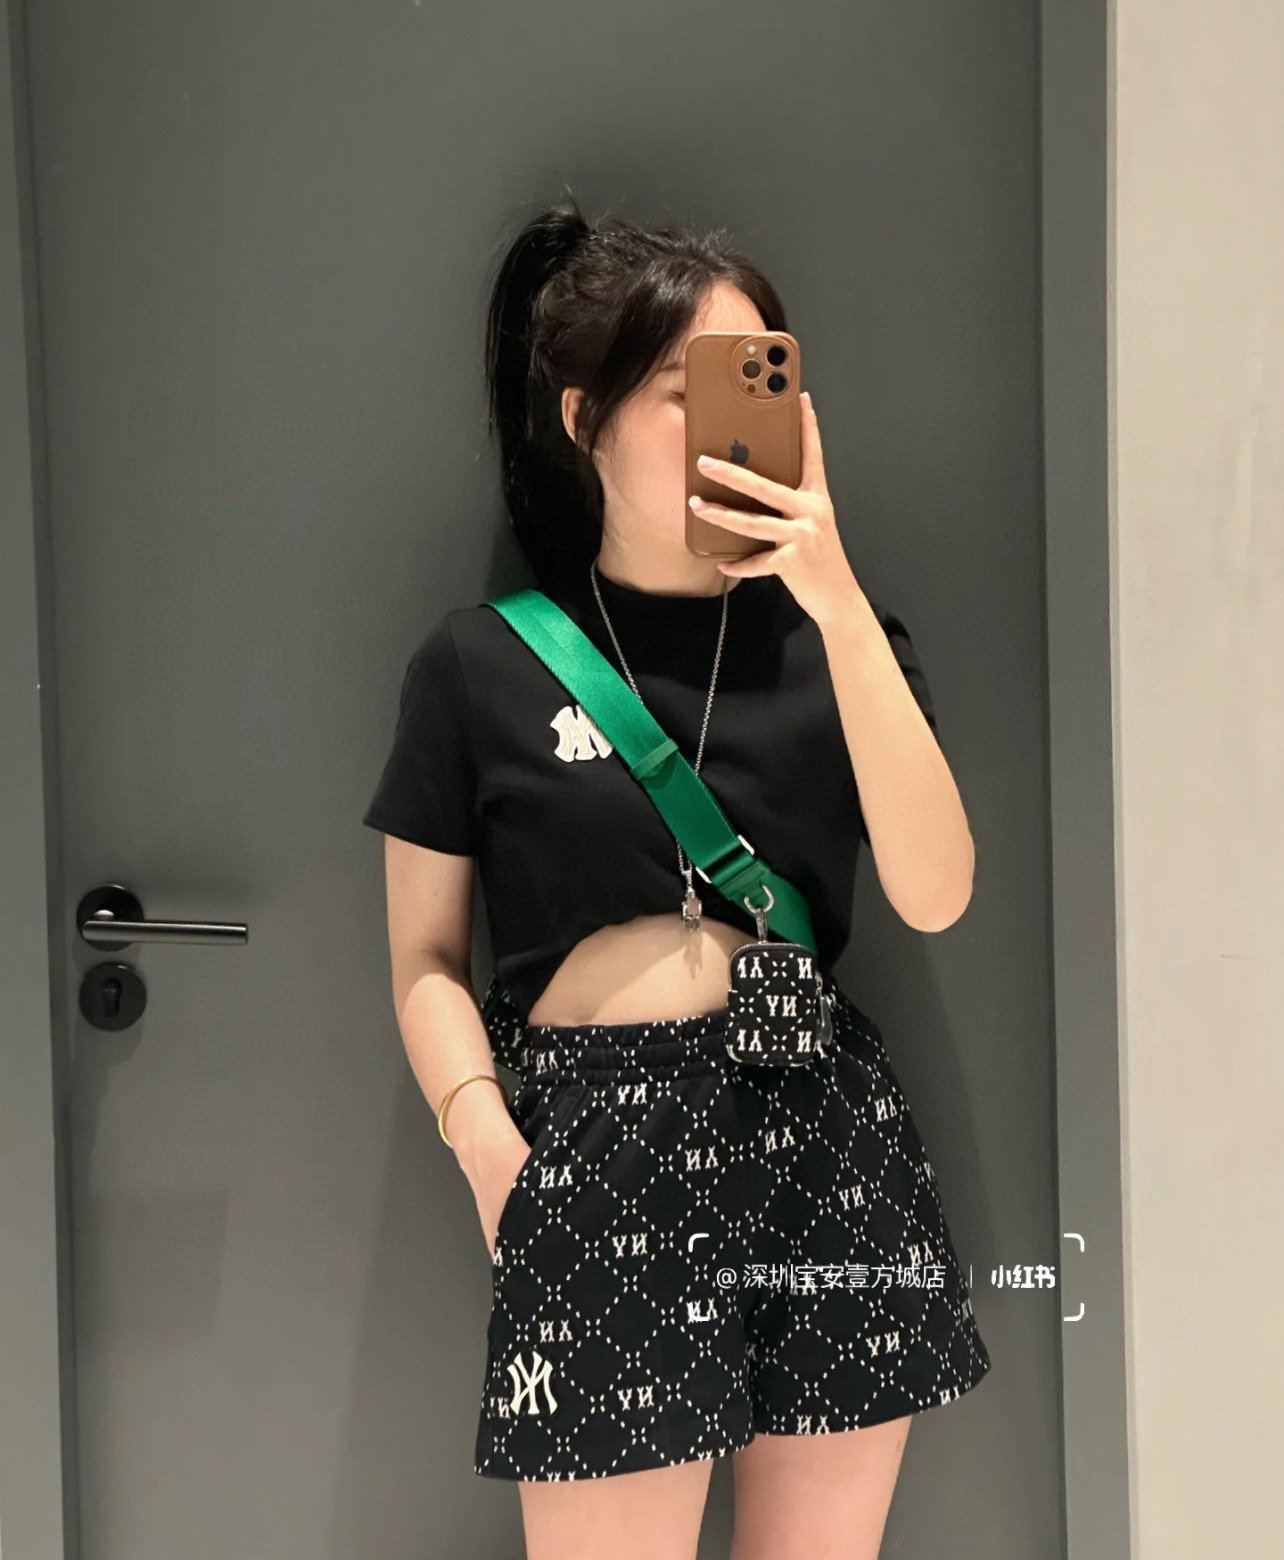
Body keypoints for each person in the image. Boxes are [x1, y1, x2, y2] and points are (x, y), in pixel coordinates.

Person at [363, 193, 991, 1560]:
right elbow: (423, 961)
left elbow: (938, 893)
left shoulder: (842, 642)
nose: (721, 425)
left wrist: (834, 596)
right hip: (593, 1151)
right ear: (583, 418)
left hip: (821, 1132)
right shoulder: (478, 664)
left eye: (751, 384)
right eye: (677, 390)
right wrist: (488, 1145)